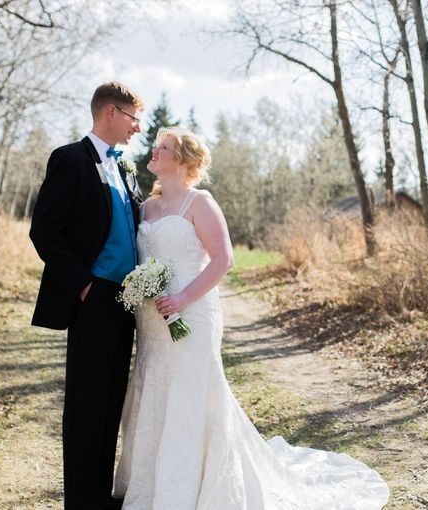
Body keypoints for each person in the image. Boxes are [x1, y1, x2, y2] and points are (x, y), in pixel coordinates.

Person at [113, 127, 390, 509]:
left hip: (191, 313)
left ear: (184, 162)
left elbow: (225, 260)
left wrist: (181, 298)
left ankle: (189, 490)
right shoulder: (145, 207)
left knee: (191, 393)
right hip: (153, 322)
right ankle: (152, 487)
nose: (154, 150)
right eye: (157, 145)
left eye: (164, 147)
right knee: (155, 387)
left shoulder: (200, 203)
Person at [29, 81, 144, 510]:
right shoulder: (70, 159)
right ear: (111, 113)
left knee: (112, 396)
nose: (137, 128)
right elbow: (45, 230)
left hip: (127, 301)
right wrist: (82, 284)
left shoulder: (126, 168)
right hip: (91, 297)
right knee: (85, 402)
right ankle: (80, 501)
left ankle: (100, 495)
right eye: (133, 118)